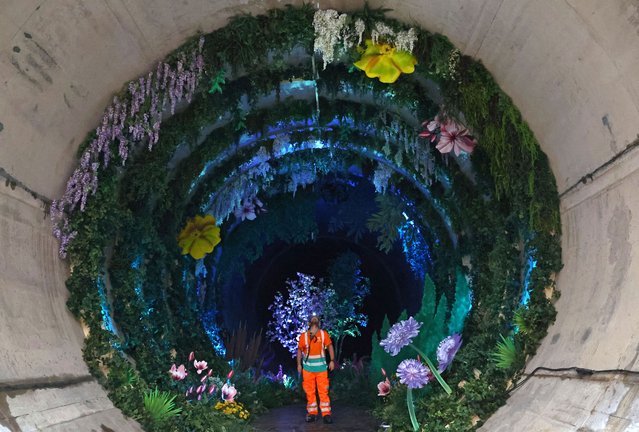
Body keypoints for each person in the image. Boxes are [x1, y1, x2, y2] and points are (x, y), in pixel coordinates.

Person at [297, 315, 335, 424]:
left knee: (323, 391)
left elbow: (330, 346)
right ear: (309, 323)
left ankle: (326, 414)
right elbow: (299, 351)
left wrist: (332, 360)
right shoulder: (303, 336)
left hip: (322, 369)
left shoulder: (323, 334)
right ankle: (312, 413)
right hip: (308, 369)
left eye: (316, 319)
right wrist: (298, 364)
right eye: (313, 319)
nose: (315, 320)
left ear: (319, 322)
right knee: (310, 392)